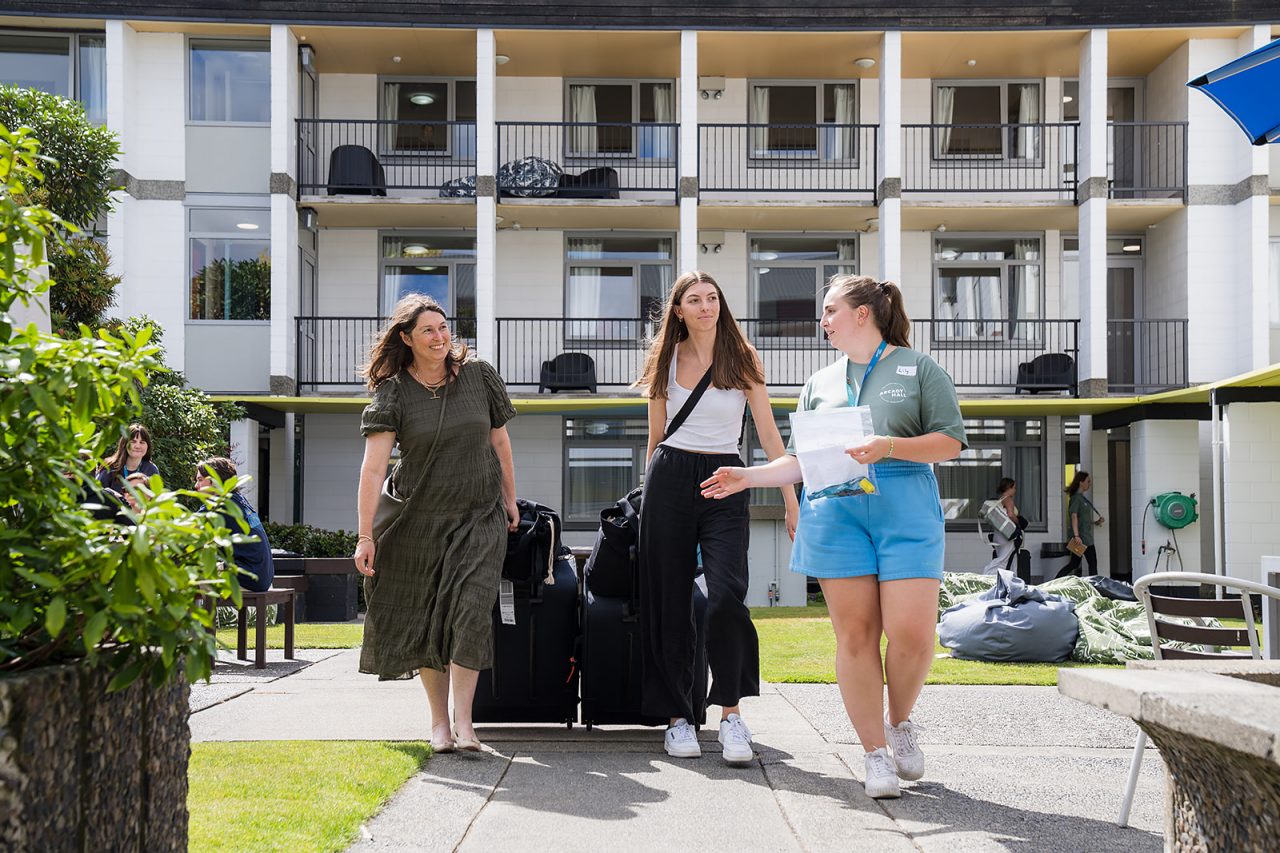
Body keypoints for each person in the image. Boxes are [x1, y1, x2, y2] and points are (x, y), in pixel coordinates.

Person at [699, 274, 966, 799]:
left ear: (862, 314)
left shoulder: (918, 369)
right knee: (856, 636)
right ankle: (873, 757)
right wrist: (747, 476)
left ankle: (899, 721)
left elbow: (950, 443)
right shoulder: (819, 383)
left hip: (905, 506)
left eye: (829, 311)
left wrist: (888, 445)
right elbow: (804, 462)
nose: (822, 321)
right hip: (837, 513)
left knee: (912, 635)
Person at [635, 270, 799, 767]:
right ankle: (678, 717)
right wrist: (646, 495)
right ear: (678, 310)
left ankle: (730, 715)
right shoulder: (665, 358)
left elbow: (770, 436)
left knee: (727, 594)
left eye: (712, 298)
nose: (705, 306)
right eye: (694, 299)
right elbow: (656, 435)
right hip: (669, 477)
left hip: (727, 479)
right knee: (669, 601)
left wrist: (790, 498)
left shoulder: (743, 359)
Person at [352, 294, 519, 755]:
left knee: (469, 610)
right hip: (419, 521)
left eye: (444, 327)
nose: (440, 336)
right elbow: (372, 468)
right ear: (406, 338)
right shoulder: (393, 393)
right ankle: (439, 725)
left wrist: (509, 499)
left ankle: (466, 725)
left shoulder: (479, 376)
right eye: (428, 330)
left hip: (479, 514)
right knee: (430, 620)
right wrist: (366, 535)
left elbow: (501, 443)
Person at [195, 457, 275, 593]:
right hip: (261, 577)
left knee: (188, 575)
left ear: (214, 481)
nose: (196, 486)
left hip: (248, 579)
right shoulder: (238, 500)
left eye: (200, 480)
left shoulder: (219, 504)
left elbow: (186, 531)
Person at [1058, 470, 1104, 578]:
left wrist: (1095, 522)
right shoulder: (1076, 498)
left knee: (1075, 563)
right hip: (1082, 539)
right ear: (1081, 482)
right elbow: (1074, 516)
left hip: (1084, 537)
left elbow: (1082, 518)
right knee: (1091, 563)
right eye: (1088, 481)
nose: (1090, 484)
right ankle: (1095, 587)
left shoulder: (1082, 498)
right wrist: (1076, 535)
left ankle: (1056, 579)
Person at [96, 423, 160, 495]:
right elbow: (97, 494)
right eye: (133, 442)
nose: (137, 446)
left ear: (148, 446)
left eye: (142, 442)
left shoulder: (151, 470)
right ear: (124, 444)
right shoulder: (109, 467)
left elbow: (155, 498)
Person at [981, 477, 1027, 575]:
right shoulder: (1008, 499)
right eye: (1014, 488)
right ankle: (986, 575)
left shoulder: (1000, 500)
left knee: (1009, 559)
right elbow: (1010, 515)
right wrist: (1019, 522)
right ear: (1009, 488)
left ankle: (1010, 582)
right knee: (1004, 560)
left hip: (998, 534)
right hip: (1007, 535)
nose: (1015, 490)